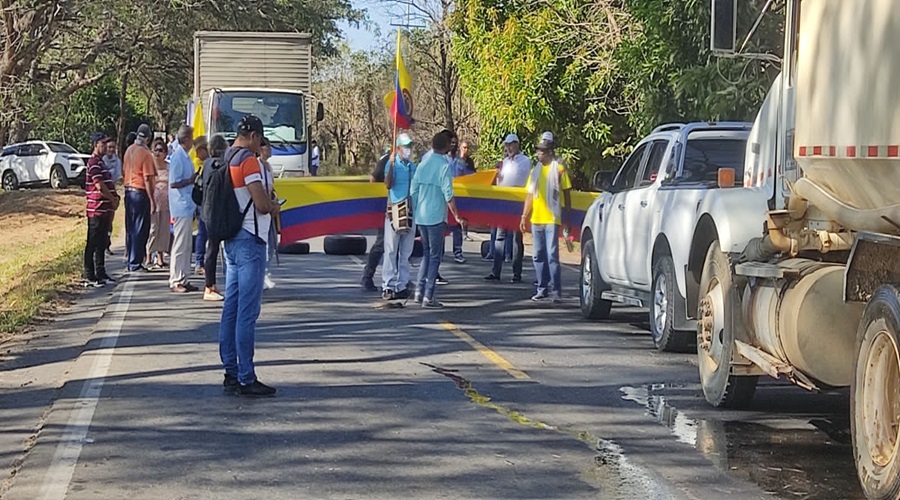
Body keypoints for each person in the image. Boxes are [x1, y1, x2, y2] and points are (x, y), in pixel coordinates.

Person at [219, 115, 280, 397]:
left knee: (230, 308)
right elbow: (260, 203)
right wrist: (273, 205)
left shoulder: (226, 156)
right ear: (255, 136)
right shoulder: (248, 162)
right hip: (250, 239)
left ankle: (231, 370)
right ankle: (246, 376)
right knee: (247, 312)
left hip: (229, 239)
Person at [411, 131, 466, 308]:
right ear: (445, 146)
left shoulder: (423, 164)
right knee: (435, 256)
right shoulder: (444, 166)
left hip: (422, 216)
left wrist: (416, 208)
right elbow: (448, 194)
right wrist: (457, 215)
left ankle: (419, 291)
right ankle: (429, 295)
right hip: (435, 217)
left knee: (427, 254)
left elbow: (414, 191)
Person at [520, 132, 572, 303]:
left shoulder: (559, 169)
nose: (539, 154)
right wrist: (524, 216)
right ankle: (542, 288)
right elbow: (530, 195)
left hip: (552, 218)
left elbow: (567, 193)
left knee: (552, 255)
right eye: (538, 151)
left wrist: (567, 218)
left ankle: (556, 290)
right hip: (537, 219)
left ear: (549, 152)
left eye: (542, 151)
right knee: (537, 255)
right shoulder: (535, 171)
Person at [485, 134, 532, 283]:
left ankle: (516, 273)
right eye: (507, 145)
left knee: (517, 239)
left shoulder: (525, 161)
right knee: (500, 237)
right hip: (503, 202)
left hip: (517, 202)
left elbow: (520, 179)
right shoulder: (504, 162)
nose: (508, 147)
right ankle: (496, 272)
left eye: (511, 144)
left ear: (517, 145)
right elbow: (501, 182)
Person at [381, 133, 417, 301]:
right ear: (398, 148)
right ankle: (387, 286)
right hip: (394, 211)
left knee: (406, 252)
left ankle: (402, 284)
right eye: (405, 146)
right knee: (391, 250)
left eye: (409, 146)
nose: (408, 149)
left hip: (410, 212)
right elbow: (388, 184)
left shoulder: (413, 167)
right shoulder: (391, 164)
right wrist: (392, 165)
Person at [82, 132, 119, 288]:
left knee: (102, 242)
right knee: (93, 242)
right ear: (95, 144)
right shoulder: (93, 163)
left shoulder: (101, 162)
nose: (105, 147)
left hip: (105, 210)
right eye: (102, 144)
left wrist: (115, 198)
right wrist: (111, 198)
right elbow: (99, 185)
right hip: (96, 210)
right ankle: (90, 275)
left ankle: (101, 272)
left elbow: (108, 183)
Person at [168, 125, 199, 293]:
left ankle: (184, 277)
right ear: (186, 139)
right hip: (180, 205)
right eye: (192, 138)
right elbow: (174, 182)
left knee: (187, 245)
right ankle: (175, 280)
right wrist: (190, 180)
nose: (193, 141)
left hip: (188, 204)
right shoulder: (177, 157)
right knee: (180, 244)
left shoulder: (185, 156)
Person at [123, 124, 157, 272]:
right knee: (140, 227)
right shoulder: (145, 153)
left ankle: (131, 259)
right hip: (140, 191)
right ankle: (136, 262)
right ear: (148, 138)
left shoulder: (129, 150)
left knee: (131, 227)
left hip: (128, 190)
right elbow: (148, 178)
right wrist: (152, 199)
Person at [201, 135, 229, 301]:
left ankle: (211, 285)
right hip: (217, 212)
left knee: (211, 248)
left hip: (206, 210)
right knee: (213, 249)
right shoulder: (222, 166)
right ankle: (209, 286)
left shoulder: (206, 165)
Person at [360, 148, 390, 292]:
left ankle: (400, 280)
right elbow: (373, 179)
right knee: (381, 244)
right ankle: (367, 276)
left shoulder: (407, 164)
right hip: (387, 209)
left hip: (403, 209)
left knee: (398, 247)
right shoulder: (387, 161)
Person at [146, 138, 170, 270]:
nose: (158, 153)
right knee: (153, 229)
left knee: (163, 230)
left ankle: (160, 257)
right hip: (153, 202)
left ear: (166, 153)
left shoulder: (169, 166)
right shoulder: (150, 167)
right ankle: (148, 255)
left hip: (166, 203)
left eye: (161, 150)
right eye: (155, 150)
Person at [259, 139, 278, 290]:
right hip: (261, 210)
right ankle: (262, 275)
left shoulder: (269, 166)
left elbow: (271, 187)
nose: (270, 149)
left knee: (272, 242)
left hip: (271, 209)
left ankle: (266, 272)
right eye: (267, 147)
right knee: (263, 243)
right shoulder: (257, 165)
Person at [446, 132, 467, 263]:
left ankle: (458, 252)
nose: (453, 145)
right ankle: (440, 252)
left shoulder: (461, 162)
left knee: (458, 225)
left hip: (458, 198)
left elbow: (467, 178)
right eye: (451, 143)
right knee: (443, 225)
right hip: (445, 197)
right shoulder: (443, 160)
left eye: (455, 143)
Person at [193, 136, 210, 275]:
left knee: (205, 233)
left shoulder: (208, 164)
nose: (196, 154)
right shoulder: (199, 164)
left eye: (198, 151)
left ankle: (204, 261)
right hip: (202, 204)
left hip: (207, 203)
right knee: (202, 233)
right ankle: (199, 262)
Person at [102, 138, 123, 255]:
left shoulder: (117, 161)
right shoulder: (102, 160)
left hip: (112, 191)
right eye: (109, 147)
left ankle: (107, 245)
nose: (110, 150)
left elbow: (117, 177)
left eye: (112, 148)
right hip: (102, 193)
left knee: (109, 221)